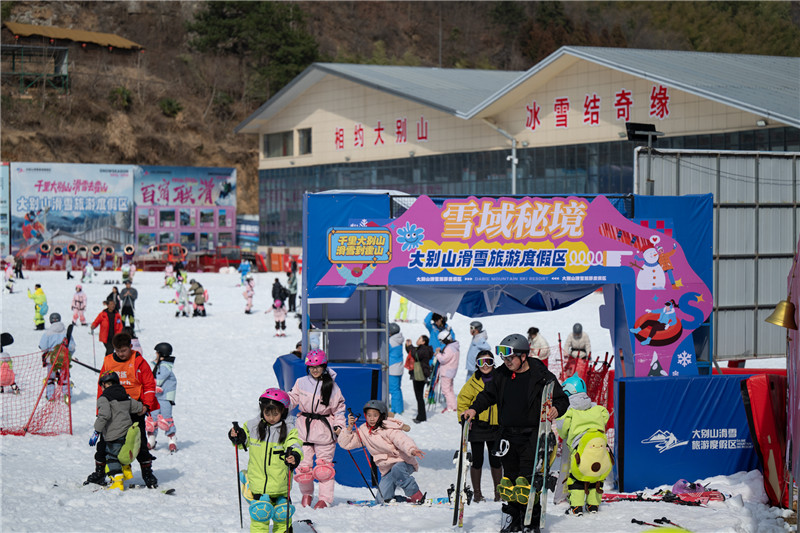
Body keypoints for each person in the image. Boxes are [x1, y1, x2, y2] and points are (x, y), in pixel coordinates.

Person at [461, 333, 569, 533]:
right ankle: (514, 519)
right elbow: (488, 395)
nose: (507, 361)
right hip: (507, 437)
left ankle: (532, 520)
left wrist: (556, 409)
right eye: (504, 358)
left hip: (532, 437)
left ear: (523, 356)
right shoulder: (501, 375)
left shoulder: (541, 376)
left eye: (511, 358)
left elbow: (562, 399)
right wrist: (474, 409)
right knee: (510, 481)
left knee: (528, 480)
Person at [86, 332, 159, 488]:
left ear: (130, 347)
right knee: (105, 443)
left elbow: (149, 385)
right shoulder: (108, 361)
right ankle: (100, 473)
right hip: (112, 411)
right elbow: (101, 387)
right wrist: (100, 411)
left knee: (139, 443)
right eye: (118, 351)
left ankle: (147, 473)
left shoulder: (139, 361)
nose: (120, 354)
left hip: (134, 409)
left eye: (124, 350)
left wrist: (145, 405)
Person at [229, 388, 303, 533]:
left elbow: (295, 443)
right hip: (259, 484)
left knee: (282, 515)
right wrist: (236, 436)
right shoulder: (252, 426)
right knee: (260, 515)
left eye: (275, 414)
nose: (271, 417)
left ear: (283, 411)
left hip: (280, 485)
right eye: (267, 413)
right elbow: (243, 442)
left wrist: (294, 455)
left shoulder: (289, 429)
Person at [288, 349, 346, 509]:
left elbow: (339, 409)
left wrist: (339, 425)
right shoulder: (301, 382)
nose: (315, 370)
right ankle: (306, 495)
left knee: (323, 469)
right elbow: (293, 398)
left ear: (324, 366)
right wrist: (282, 402)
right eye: (311, 367)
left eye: (318, 366)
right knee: (303, 469)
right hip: (303, 430)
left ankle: (325, 499)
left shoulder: (332, 387)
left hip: (324, 431)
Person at [338, 400, 425, 503]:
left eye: (375, 415)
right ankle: (401, 501)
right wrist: (349, 428)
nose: (371, 418)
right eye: (369, 415)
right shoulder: (363, 431)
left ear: (381, 415)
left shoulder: (389, 428)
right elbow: (346, 444)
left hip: (403, 462)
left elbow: (402, 440)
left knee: (397, 469)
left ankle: (417, 496)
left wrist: (412, 450)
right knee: (382, 500)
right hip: (387, 469)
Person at [554, 375, 611, 516]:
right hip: (600, 449)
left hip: (580, 450)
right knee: (596, 478)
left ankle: (576, 506)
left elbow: (562, 429)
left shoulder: (570, 411)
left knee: (576, 477)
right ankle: (593, 505)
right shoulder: (597, 408)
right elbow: (605, 416)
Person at [457, 349, 503, 503]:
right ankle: (477, 493)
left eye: (488, 361)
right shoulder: (472, 382)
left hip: (496, 426)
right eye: (481, 362)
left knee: (496, 459)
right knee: (477, 459)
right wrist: (463, 420)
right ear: (476, 365)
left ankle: (499, 492)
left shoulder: (500, 378)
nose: (485, 365)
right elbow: (463, 401)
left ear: (493, 363)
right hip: (477, 426)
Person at [93, 370, 145, 491]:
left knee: (112, 457)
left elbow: (103, 416)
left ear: (103, 385)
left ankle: (117, 480)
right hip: (127, 433)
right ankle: (126, 472)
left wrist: (96, 431)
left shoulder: (103, 398)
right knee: (122, 454)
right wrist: (143, 409)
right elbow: (137, 407)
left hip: (113, 434)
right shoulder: (124, 395)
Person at [146, 342, 178, 453]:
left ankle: (172, 439)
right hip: (155, 397)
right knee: (152, 418)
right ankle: (151, 440)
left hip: (165, 397)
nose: (155, 355)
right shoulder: (159, 365)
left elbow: (158, 380)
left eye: (157, 353)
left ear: (162, 354)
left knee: (165, 418)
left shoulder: (165, 367)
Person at [38, 312, 76, 402]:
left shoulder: (48, 333)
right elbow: (72, 346)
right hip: (64, 359)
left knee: (51, 378)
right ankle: (67, 396)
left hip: (51, 359)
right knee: (65, 377)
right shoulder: (66, 332)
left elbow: (43, 346)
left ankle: (51, 396)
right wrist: (69, 354)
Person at [405, 335, 433, 423]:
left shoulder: (424, 350)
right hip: (418, 375)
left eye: (419, 339)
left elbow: (416, 354)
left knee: (419, 397)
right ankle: (421, 415)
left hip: (420, 376)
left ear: (423, 342)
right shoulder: (421, 348)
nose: (417, 340)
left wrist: (410, 346)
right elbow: (412, 352)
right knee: (419, 397)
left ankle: (421, 417)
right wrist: (408, 346)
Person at [435, 328, 460, 413]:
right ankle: (454, 406)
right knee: (450, 389)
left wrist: (438, 354)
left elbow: (443, 359)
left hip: (447, 372)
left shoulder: (449, 348)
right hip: (452, 371)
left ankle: (450, 407)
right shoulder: (454, 346)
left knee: (446, 390)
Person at [388, 322, 405, 415]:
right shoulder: (398, 339)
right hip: (399, 368)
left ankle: (396, 409)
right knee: (397, 389)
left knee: (394, 390)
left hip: (393, 369)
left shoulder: (391, 341)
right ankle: (397, 407)